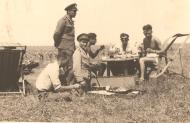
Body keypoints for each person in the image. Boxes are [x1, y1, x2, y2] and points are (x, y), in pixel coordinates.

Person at [53, 3, 78, 84]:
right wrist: (58, 44)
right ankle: (65, 84)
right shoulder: (63, 21)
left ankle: (66, 84)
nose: (75, 13)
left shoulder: (70, 21)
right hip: (64, 48)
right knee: (64, 66)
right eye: (74, 11)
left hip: (70, 48)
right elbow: (57, 34)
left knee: (68, 66)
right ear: (68, 11)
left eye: (75, 11)